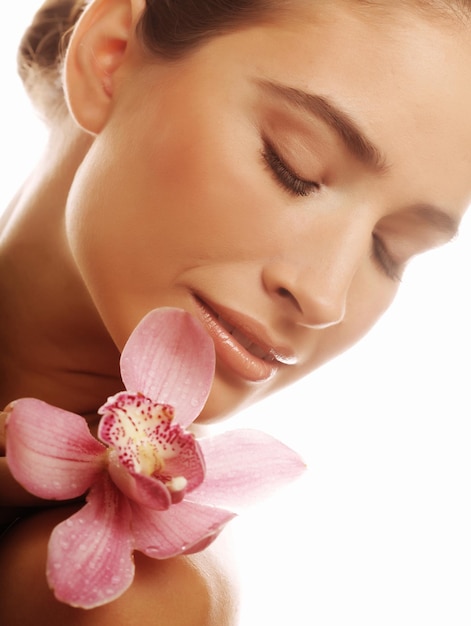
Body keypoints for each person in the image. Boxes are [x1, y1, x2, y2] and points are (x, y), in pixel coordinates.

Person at [1, 0, 470, 623]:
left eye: (390, 252)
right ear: (109, 57)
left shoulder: (129, 603)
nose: (326, 298)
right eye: (293, 166)